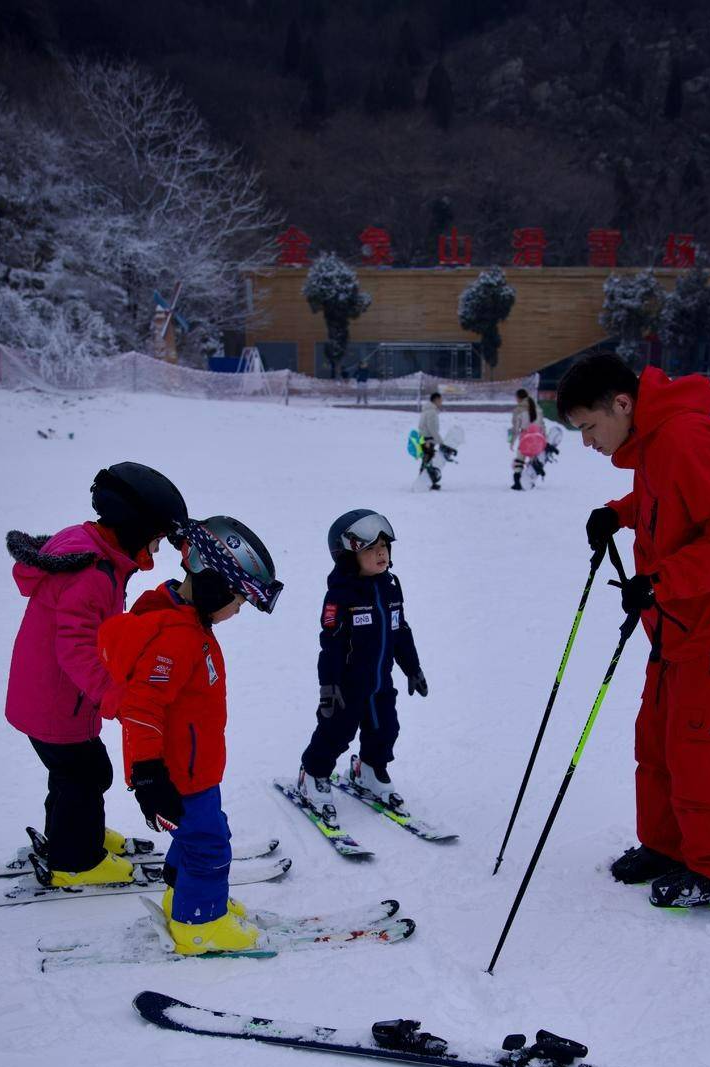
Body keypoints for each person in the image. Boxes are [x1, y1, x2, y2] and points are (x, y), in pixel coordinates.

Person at [557, 354, 710, 910]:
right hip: (679, 626)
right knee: (659, 741)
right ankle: (669, 845)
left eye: (589, 427)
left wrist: (662, 580)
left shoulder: (688, 437)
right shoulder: (656, 443)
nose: (587, 442)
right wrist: (620, 512)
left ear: (622, 403)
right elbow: (670, 500)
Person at [98, 516, 282, 954]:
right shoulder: (176, 637)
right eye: (237, 598)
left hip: (197, 768)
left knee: (200, 834)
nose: (238, 609)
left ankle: (184, 897)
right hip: (177, 773)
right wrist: (147, 775)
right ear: (214, 583)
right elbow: (142, 710)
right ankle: (199, 925)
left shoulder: (190, 623)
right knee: (209, 845)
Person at [5, 463, 188, 887]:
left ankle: (75, 831)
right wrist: (115, 696)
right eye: (155, 539)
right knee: (87, 774)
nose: (156, 551)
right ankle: (76, 861)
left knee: (74, 773)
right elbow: (76, 648)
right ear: (134, 526)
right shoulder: (91, 574)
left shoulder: (88, 548)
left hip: (47, 697)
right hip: (58, 705)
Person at [297, 510, 427, 819]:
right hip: (347, 686)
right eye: (370, 548)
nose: (381, 552)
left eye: (384, 546)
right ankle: (313, 775)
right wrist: (329, 687)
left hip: (381, 683)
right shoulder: (341, 596)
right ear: (347, 556)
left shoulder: (391, 586)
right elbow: (329, 645)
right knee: (336, 733)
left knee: (385, 730)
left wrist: (413, 668)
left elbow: (401, 630)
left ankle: (369, 770)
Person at [509, 387, 548, 489]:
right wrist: (545, 439)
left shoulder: (518, 410)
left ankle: (517, 482)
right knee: (533, 460)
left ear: (518, 398)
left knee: (520, 460)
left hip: (525, 439)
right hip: (538, 439)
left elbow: (515, 429)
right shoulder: (538, 408)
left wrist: (512, 442)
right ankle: (530, 480)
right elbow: (543, 426)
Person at [418, 391, 457, 489]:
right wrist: (440, 442)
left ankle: (425, 482)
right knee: (428, 461)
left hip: (424, 439)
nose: (441, 402)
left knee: (427, 461)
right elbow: (432, 429)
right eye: (440, 400)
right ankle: (424, 483)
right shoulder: (431, 412)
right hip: (428, 440)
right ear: (436, 400)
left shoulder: (426, 411)